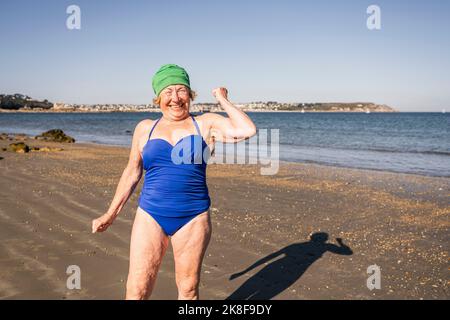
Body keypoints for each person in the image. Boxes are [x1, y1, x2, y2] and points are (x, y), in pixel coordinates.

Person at [91, 64, 257, 300]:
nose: (175, 98)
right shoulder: (145, 128)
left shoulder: (205, 123)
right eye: (168, 92)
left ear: (190, 95)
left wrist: (222, 99)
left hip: (193, 217)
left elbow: (247, 129)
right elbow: (132, 171)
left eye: (181, 91)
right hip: (150, 214)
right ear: (158, 98)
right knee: (136, 290)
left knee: (188, 290)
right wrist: (110, 214)